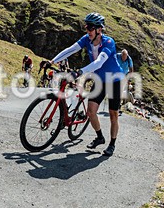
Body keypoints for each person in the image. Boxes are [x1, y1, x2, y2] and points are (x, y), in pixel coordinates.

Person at [49, 12, 124, 156]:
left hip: (115, 81)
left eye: (90, 28)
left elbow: (99, 63)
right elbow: (70, 50)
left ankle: (112, 143)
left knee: (113, 114)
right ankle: (99, 137)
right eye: (86, 27)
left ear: (99, 30)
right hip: (100, 80)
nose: (87, 31)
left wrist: (79, 72)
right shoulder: (86, 39)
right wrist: (52, 61)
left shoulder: (108, 42)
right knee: (91, 112)